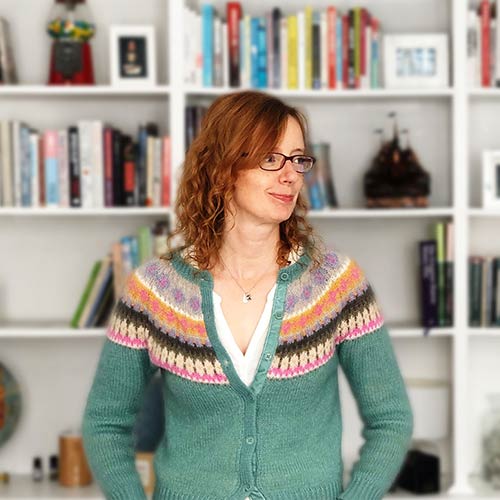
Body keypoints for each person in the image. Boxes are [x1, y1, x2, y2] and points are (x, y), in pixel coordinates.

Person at [82, 90, 413, 500]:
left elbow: (391, 420)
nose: (290, 175)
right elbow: (105, 422)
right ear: (224, 168)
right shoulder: (154, 292)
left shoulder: (334, 285)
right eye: (271, 158)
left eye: (298, 159)